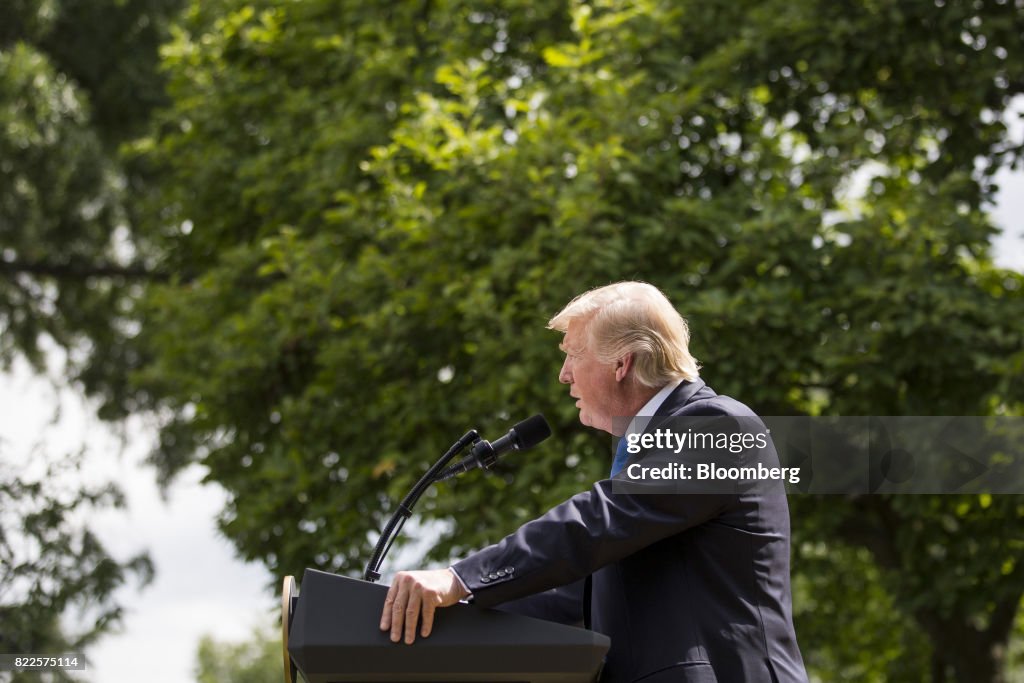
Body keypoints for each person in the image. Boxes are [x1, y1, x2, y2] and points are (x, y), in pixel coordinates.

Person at [379, 281, 808, 683]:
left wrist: (460, 578)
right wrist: (439, 610)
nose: (564, 374)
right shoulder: (651, 452)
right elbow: (574, 590)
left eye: (573, 354)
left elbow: (595, 522)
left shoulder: (718, 426)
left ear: (622, 362)